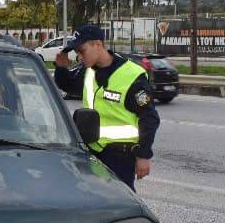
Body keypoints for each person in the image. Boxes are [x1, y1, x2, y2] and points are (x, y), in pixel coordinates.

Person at [54, 25, 160, 191]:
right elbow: (68, 85)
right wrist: (60, 67)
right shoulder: (88, 70)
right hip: (92, 151)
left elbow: (149, 118)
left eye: (82, 50)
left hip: (121, 156)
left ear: (98, 44)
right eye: (77, 53)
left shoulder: (131, 75)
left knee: (120, 203)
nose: (80, 57)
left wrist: (143, 155)